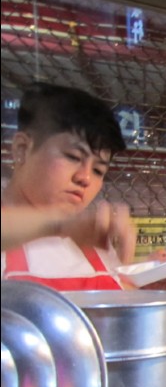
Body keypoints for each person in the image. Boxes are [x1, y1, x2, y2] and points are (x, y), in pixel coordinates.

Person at [1, 82, 136, 291]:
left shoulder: (93, 240)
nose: (85, 178)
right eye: (73, 157)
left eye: (98, 170)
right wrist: (61, 226)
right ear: (22, 148)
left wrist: (149, 281)